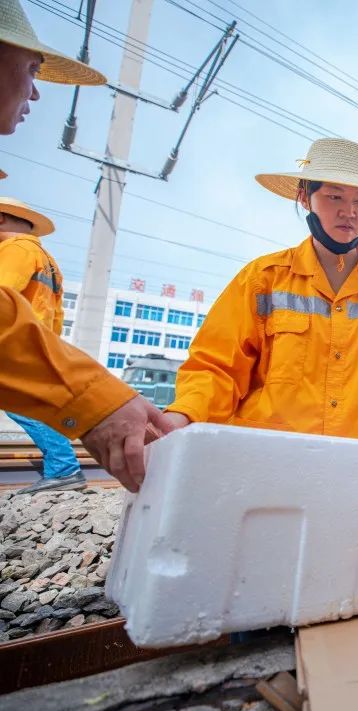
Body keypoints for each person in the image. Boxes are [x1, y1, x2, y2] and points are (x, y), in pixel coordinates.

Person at [0, 0, 170, 491]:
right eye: (31, 69)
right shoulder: (41, 254)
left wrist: (89, 396)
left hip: (26, 360)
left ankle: (61, 469)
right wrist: (90, 395)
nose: (34, 91)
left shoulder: (15, 252)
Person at [163, 138, 358, 443]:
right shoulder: (263, 279)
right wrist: (182, 413)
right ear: (305, 198)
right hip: (267, 458)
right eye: (334, 197)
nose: (349, 212)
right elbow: (217, 367)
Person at [0, 199, 84, 493]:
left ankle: (63, 469)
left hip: (14, 342)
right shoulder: (47, 259)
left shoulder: (15, 250)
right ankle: (63, 468)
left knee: (22, 406)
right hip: (35, 341)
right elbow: (57, 313)